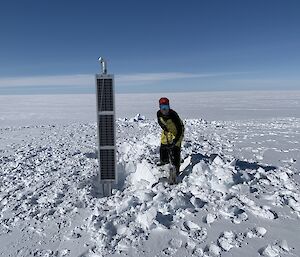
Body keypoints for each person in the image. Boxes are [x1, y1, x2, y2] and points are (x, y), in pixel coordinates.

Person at [157, 97, 184, 175]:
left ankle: (176, 168)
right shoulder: (158, 114)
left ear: (169, 106)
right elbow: (160, 122)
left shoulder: (173, 115)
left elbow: (180, 129)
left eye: (166, 107)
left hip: (178, 131)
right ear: (160, 107)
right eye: (162, 107)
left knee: (175, 148)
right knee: (163, 145)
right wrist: (164, 128)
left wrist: (176, 140)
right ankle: (164, 161)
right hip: (167, 130)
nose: (164, 109)